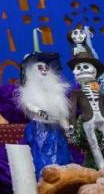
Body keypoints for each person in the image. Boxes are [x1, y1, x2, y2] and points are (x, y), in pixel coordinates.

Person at [16, 42, 71, 177]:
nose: (44, 71)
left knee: (60, 156)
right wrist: (40, 112)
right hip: (39, 128)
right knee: (40, 156)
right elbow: (29, 104)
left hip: (55, 130)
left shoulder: (56, 91)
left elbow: (61, 113)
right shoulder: (30, 90)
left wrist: (67, 127)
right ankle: (43, 179)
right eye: (40, 67)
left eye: (46, 68)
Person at [68, 52, 104, 169]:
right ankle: (102, 168)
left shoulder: (100, 93)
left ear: (94, 70)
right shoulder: (76, 93)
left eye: (85, 66)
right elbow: (72, 110)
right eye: (79, 67)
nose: (82, 70)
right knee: (93, 144)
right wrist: (72, 126)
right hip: (88, 120)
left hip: (102, 117)